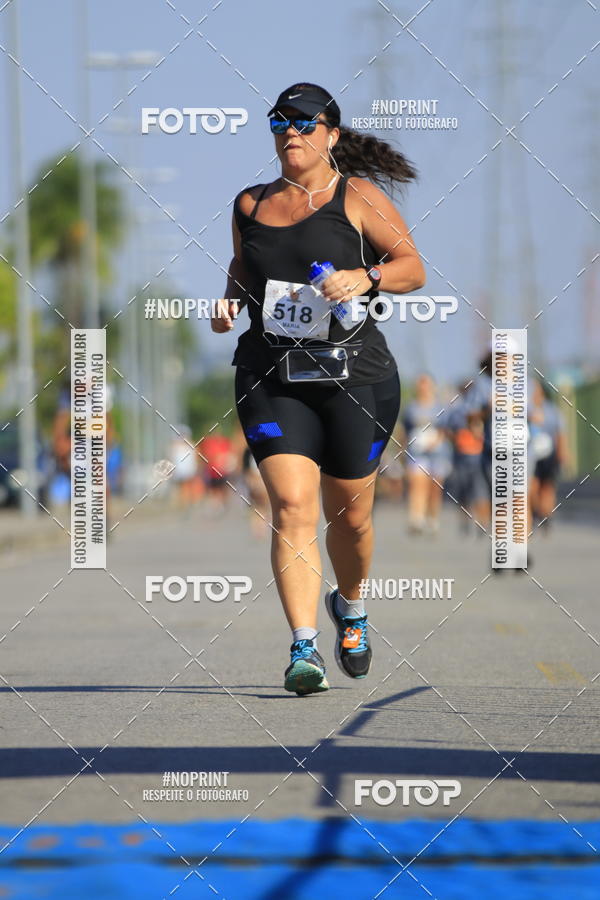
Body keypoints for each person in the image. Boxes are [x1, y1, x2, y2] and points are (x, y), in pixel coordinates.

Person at [211, 82, 425, 695]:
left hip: (356, 379)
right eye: (280, 122)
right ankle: (303, 648)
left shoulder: (358, 196)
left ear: (331, 134)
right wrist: (229, 303)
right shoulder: (249, 205)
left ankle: (350, 609)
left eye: (306, 123)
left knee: (351, 518)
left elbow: (412, 266)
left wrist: (366, 276)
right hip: (271, 376)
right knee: (293, 507)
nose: (291, 132)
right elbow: (241, 266)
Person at [401, 374, 452, 535]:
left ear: (432, 386)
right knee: (417, 484)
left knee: (434, 488)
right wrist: (403, 450)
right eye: (420, 384)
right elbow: (405, 430)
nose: (423, 387)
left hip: (438, 453)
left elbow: (446, 430)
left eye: (426, 384)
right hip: (417, 452)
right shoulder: (411, 407)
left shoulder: (440, 407)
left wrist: (436, 441)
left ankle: (432, 518)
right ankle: (416, 519)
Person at [528, 379, 568, 531]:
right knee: (532, 486)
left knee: (547, 487)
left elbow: (561, 433)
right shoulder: (525, 409)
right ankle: (536, 511)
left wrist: (562, 452)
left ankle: (546, 516)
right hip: (531, 454)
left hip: (549, 454)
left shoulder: (552, 410)